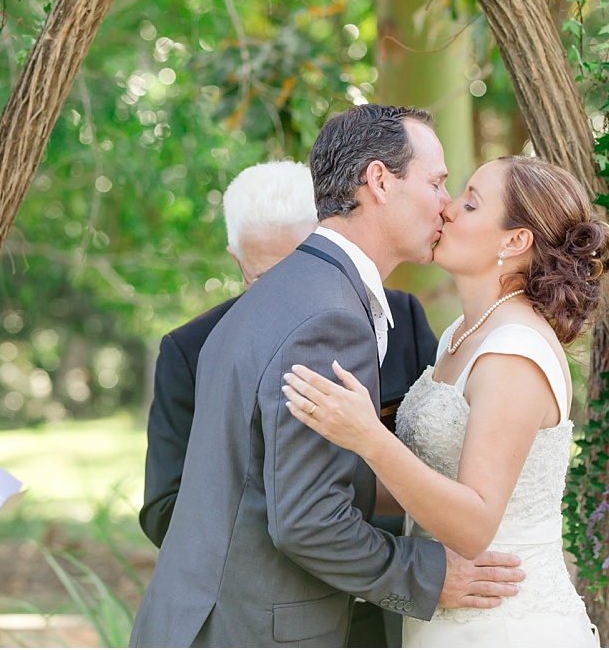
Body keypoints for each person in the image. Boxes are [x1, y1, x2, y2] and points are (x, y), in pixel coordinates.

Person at [129, 105, 526, 648]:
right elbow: (308, 521)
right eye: (436, 182)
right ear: (380, 181)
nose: (445, 204)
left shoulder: (288, 289)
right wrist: (428, 573)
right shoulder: (329, 318)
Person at [283, 156, 609, 648]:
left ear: (514, 241)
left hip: (502, 625)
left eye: (471, 203)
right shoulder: (463, 335)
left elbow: (475, 524)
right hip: (443, 616)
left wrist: (368, 436)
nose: (447, 209)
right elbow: (424, 485)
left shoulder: (514, 353)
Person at [138, 159, 439, 648]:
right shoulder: (192, 347)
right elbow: (167, 507)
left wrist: (364, 545)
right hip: (263, 616)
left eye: (300, 266)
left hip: (386, 617)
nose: (290, 297)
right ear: (237, 260)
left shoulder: (401, 317)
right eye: (265, 277)